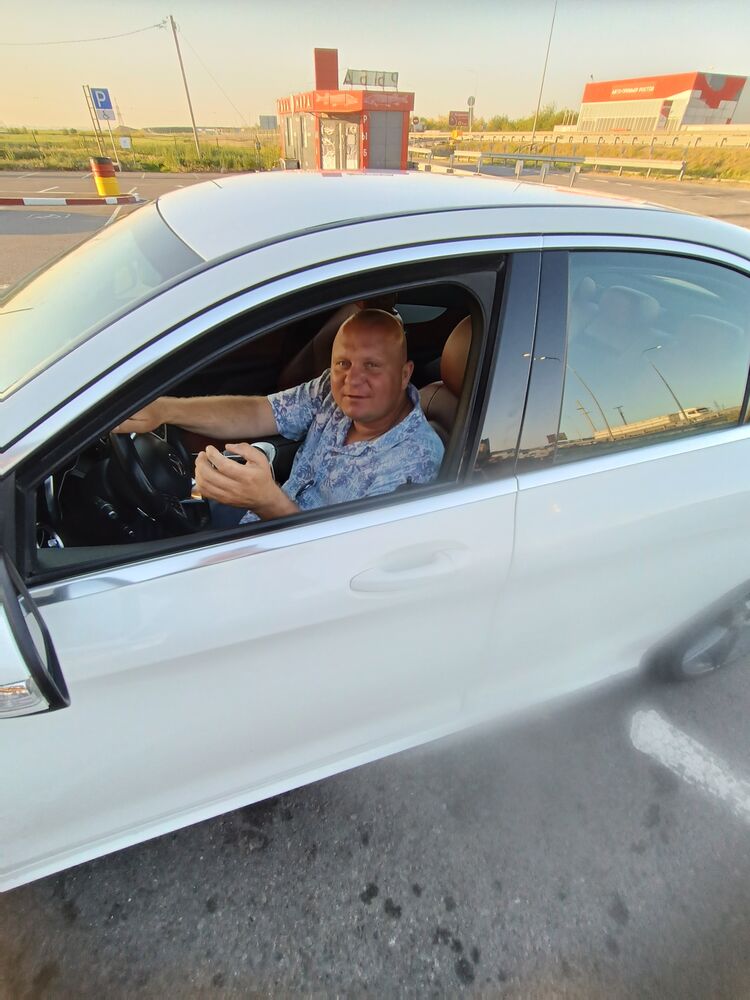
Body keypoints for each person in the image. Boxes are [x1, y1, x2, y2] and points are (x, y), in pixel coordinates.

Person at [114, 308, 445, 524]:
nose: (352, 380)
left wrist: (267, 502)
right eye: (343, 363)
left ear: (405, 374)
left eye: (372, 366)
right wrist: (165, 410)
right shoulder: (330, 393)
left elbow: (353, 564)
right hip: (260, 528)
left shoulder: (414, 461)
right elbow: (258, 411)